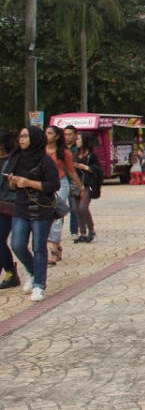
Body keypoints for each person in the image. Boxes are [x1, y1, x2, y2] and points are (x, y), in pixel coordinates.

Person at [5, 126, 60, 302]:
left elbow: (53, 185)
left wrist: (28, 182)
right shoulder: (16, 158)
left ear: (35, 139)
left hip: (41, 208)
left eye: (25, 136)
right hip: (21, 207)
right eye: (20, 136)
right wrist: (13, 182)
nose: (21, 140)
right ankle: (32, 271)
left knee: (38, 247)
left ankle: (39, 285)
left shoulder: (45, 160)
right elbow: (12, 187)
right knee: (17, 244)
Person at [45, 125, 84, 266]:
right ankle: (54, 244)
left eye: (50, 133)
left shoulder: (64, 152)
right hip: (44, 185)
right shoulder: (41, 151)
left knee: (56, 217)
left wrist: (81, 187)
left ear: (56, 137)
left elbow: (71, 171)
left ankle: (54, 249)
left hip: (61, 184)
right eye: (46, 133)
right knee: (44, 216)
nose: (47, 135)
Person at [0, 128, 20, 289]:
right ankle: (9, 272)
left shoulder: (13, 161)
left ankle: (11, 272)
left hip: (10, 206)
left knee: (8, 241)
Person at [72, 133, 101, 242]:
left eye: (78, 139)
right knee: (76, 209)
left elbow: (98, 169)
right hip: (76, 184)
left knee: (83, 208)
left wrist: (85, 167)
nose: (76, 141)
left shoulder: (91, 155)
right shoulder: (75, 154)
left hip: (87, 184)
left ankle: (91, 230)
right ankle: (82, 232)